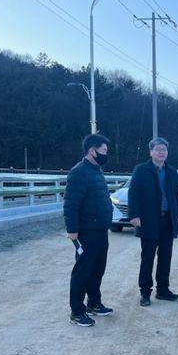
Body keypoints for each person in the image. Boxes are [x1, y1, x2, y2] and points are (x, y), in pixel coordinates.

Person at [128, 137, 178, 307]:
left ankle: (163, 289)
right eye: (158, 149)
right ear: (151, 152)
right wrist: (134, 215)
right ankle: (145, 292)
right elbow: (133, 193)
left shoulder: (172, 172)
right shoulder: (141, 170)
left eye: (164, 150)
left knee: (165, 257)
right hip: (148, 220)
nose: (161, 152)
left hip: (168, 220)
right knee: (147, 257)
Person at [63, 134, 114, 326]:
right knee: (83, 271)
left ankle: (94, 303)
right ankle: (77, 311)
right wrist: (72, 230)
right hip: (86, 230)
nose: (105, 154)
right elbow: (71, 204)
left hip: (100, 228)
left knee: (98, 268)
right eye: (103, 151)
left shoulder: (96, 170)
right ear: (92, 151)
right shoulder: (79, 172)